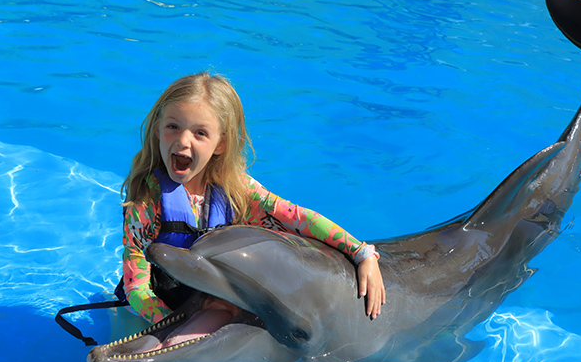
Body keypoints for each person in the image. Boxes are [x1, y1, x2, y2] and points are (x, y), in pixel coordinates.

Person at [118, 71, 385, 331]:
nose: (183, 140)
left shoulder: (237, 191)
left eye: (200, 133)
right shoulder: (147, 201)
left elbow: (297, 218)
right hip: (150, 309)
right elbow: (136, 286)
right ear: (157, 130)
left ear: (220, 144)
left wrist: (361, 254)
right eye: (173, 126)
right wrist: (169, 325)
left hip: (209, 302)